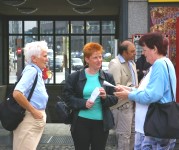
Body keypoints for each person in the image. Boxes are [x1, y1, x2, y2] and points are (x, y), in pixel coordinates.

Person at [114, 32, 176, 149]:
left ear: (155, 49)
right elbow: (147, 90)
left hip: (153, 128)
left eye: (145, 49)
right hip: (154, 126)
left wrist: (129, 95)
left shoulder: (159, 65)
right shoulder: (164, 63)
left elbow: (151, 95)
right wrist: (128, 89)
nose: (143, 53)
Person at [64, 42, 118, 150]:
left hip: (101, 123)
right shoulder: (74, 77)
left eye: (100, 57)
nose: (99, 60)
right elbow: (67, 98)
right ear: (87, 59)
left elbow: (115, 98)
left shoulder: (107, 77)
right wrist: (83, 103)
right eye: (95, 58)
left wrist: (105, 97)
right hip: (81, 122)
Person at [12, 41, 49, 150]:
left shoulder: (36, 71)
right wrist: (34, 111)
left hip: (33, 119)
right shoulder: (32, 71)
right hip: (30, 119)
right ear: (34, 58)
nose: (47, 59)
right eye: (45, 56)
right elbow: (17, 93)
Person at [108, 40, 138, 150]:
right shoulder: (115, 64)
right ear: (124, 52)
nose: (135, 53)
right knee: (124, 136)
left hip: (134, 103)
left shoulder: (132, 63)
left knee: (133, 134)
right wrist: (132, 88)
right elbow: (114, 87)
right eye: (132, 51)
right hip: (122, 106)